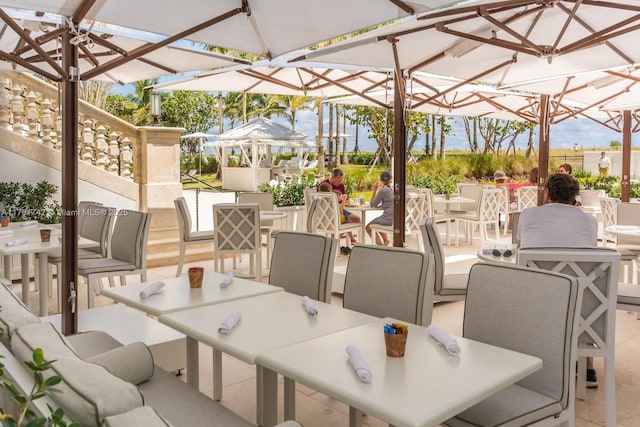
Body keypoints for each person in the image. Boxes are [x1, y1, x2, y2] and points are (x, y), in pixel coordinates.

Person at [517, 172, 599, 388]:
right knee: (584, 289)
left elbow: (520, 252)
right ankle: (587, 365)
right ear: (575, 200)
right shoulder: (590, 222)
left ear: (547, 195)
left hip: (536, 302)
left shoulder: (528, 215)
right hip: (579, 309)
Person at [317, 168, 360, 244]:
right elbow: (322, 202)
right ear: (332, 177)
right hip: (330, 212)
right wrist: (338, 199)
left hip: (341, 209)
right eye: (338, 181)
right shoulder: (324, 185)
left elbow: (345, 198)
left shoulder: (341, 185)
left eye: (341, 180)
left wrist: (346, 200)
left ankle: (345, 238)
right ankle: (338, 240)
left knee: (357, 219)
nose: (340, 183)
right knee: (341, 221)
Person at [365, 171, 394, 245]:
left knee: (368, 227)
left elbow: (372, 204)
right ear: (391, 179)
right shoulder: (393, 189)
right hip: (396, 219)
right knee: (379, 221)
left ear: (381, 180)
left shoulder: (383, 191)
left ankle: (381, 247)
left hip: (388, 219)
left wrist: (374, 190)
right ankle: (385, 241)